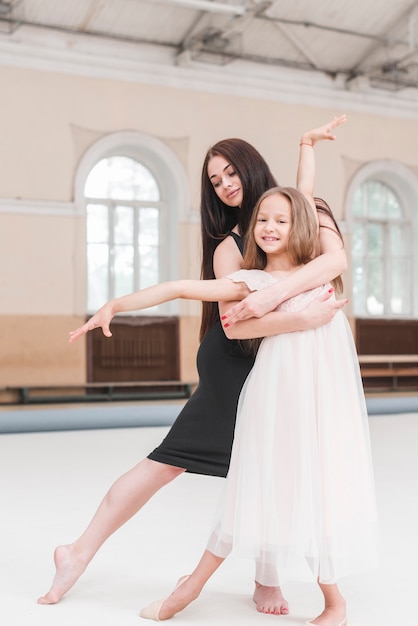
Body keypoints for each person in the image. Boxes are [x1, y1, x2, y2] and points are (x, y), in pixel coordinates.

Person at [38, 116, 348, 614]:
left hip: (280, 352)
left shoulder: (302, 213)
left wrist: (307, 145)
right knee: (173, 460)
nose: (225, 185)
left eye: (231, 173)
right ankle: (76, 552)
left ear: (252, 169)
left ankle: (267, 578)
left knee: (272, 465)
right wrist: (117, 303)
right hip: (238, 355)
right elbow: (232, 317)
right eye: (215, 180)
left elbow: (328, 258)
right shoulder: (233, 245)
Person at [90, 187, 375, 626]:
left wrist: (307, 149)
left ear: (299, 224)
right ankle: (190, 587)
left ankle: (334, 603)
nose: (270, 228)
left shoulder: (317, 271)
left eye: (281, 220)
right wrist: (116, 304)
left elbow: (308, 198)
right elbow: (179, 288)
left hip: (321, 398)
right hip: (275, 394)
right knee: (253, 486)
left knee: (315, 487)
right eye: (262, 220)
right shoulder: (252, 282)